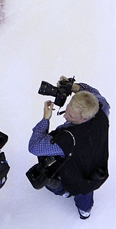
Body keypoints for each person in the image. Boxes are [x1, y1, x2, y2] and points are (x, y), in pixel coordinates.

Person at [28, 77, 110, 219]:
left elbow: (35, 146)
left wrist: (45, 119)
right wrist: (74, 87)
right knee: (87, 187)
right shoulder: (101, 109)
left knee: (76, 185)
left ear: (84, 118)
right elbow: (93, 93)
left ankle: (64, 192)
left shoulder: (67, 140)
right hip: (95, 164)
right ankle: (85, 210)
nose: (65, 116)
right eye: (67, 110)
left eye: (71, 115)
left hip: (73, 169)